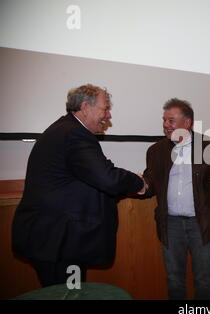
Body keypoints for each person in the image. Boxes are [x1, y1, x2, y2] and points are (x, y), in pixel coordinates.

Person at [12, 84, 147, 287]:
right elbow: (106, 177)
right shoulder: (74, 134)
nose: (108, 115)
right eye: (105, 108)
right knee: (70, 294)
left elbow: (92, 177)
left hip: (54, 239)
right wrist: (139, 182)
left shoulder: (65, 129)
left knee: (68, 292)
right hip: (57, 241)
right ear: (85, 107)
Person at [143, 98, 210, 300]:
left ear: (187, 123)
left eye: (171, 120)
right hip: (171, 224)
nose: (166, 125)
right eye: (164, 120)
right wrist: (139, 185)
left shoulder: (206, 145)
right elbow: (150, 181)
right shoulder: (156, 151)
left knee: (203, 278)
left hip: (200, 223)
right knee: (174, 278)